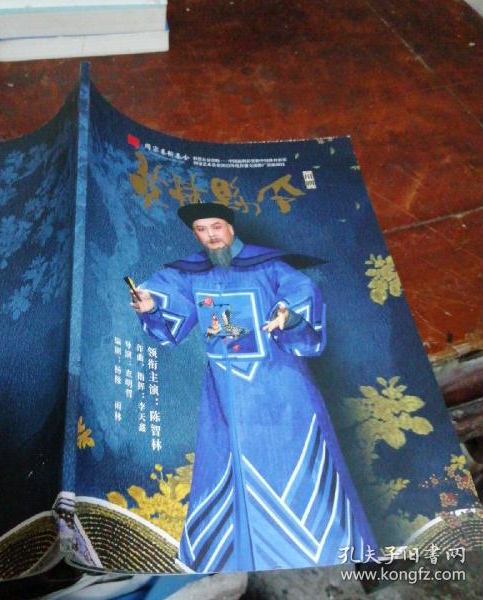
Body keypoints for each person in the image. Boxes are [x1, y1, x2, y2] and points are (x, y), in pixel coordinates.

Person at [130, 203, 375, 572]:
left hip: (281, 386)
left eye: (216, 226)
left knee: (299, 467)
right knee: (225, 468)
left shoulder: (269, 267)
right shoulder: (191, 274)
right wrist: (149, 306)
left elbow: (301, 292)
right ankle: (234, 559)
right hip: (225, 393)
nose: (210, 236)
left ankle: (325, 550)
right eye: (201, 230)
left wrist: (288, 316)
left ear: (230, 227)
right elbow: (163, 308)